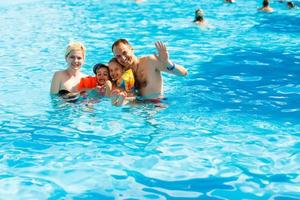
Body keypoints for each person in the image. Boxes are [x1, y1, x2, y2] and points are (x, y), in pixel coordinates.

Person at [111, 39, 188, 103]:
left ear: (131, 49)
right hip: (139, 107)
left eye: (124, 53)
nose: (123, 58)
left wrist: (168, 63)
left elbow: (184, 73)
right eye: (118, 56)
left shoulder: (150, 61)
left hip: (158, 105)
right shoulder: (123, 73)